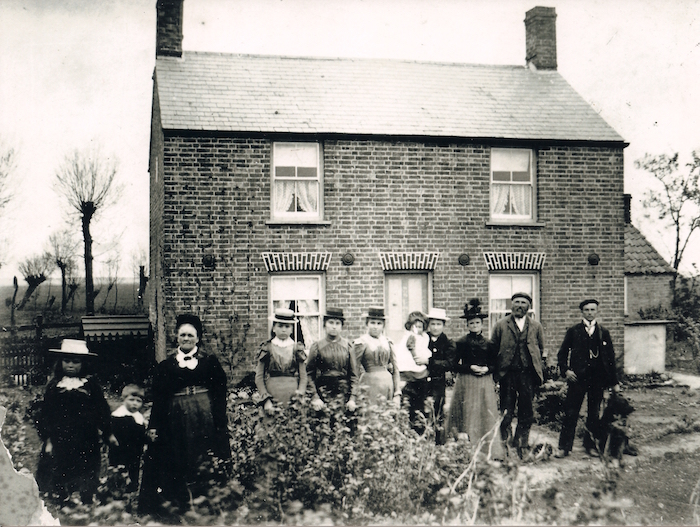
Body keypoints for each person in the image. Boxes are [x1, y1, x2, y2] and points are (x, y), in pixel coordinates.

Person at [138, 314, 231, 515]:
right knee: (177, 457)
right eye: (183, 335)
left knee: (203, 455)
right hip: (176, 418)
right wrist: (154, 425)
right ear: (177, 337)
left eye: (191, 335)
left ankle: (206, 501)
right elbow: (160, 399)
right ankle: (180, 501)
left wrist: (219, 421)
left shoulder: (209, 362)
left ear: (198, 338)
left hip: (203, 416)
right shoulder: (166, 366)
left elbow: (219, 394)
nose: (186, 338)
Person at [34, 339, 117, 504]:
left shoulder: (90, 385)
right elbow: (45, 414)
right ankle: (62, 498)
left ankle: (86, 497)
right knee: (61, 467)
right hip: (60, 438)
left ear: (83, 364)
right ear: (60, 362)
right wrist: (48, 439)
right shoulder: (54, 386)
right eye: (66, 360)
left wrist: (108, 433)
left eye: (76, 361)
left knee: (87, 468)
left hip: (86, 438)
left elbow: (102, 410)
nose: (70, 365)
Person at [555, 299, 619, 458]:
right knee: (571, 412)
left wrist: (614, 382)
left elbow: (610, 359)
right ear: (582, 312)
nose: (590, 313)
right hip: (578, 378)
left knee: (594, 413)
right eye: (586, 310)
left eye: (592, 310)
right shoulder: (573, 331)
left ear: (597, 311)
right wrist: (566, 371)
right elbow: (562, 354)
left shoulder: (603, 332)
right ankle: (564, 447)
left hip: (597, 379)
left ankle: (590, 446)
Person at [446, 300, 505, 460]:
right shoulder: (461, 343)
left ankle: (487, 449)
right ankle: (466, 449)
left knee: (484, 412)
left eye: (477, 322)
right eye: (471, 323)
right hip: (467, 381)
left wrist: (487, 369)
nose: (474, 325)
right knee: (468, 412)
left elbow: (495, 364)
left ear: (482, 324)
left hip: (484, 382)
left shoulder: (489, 343)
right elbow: (453, 364)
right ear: (467, 324)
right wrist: (469, 367)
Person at [490, 292, 545, 458]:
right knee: (506, 410)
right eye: (516, 302)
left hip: (527, 374)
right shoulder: (501, 325)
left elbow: (540, 349)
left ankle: (522, 443)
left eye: (523, 303)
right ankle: (504, 445)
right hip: (508, 374)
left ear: (528, 307)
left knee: (526, 411)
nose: (519, 305)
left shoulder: (536, 326)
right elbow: (493, 349)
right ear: (511, 305)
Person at [255, 307, 308, 413]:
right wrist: (266, 400)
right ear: (274, 328)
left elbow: (303, 376)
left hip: (293, 396)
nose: (284, 329)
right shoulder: (267, 348)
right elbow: (259, 376)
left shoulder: (297, 348)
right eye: (280, 326)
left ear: (292, 329)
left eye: (287, 326)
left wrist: (299, 395)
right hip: (272, 394)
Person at [306, 307, 359, 412]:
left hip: (344, 393)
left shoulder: (348, 346)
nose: (334, 327)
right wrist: (315, 397)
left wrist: (352, 398)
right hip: (322, 392)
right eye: (331, 322)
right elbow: (309, 374)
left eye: (337, 323)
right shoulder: (317, 346)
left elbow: (354, 375)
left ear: (341, 326)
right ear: (325, 324)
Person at [353, 307, 401, 403]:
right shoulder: (361, 342)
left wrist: (397, 393)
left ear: (383, 326)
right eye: (372, 323)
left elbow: (395, 369)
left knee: (388, 414)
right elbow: (355, 369)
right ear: (367, 324)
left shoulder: (388, 342)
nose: (375, 326)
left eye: (379, 324)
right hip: (370, 383)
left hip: (387, 383)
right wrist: (353, 395)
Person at [395, 311, 432, 433]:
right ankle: (406, 428)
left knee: (420, 402)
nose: (417, 329)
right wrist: (416, 356)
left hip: (420, 372)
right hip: (409, 369)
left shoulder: (425, 338)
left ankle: (419, 427)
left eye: (420, 327)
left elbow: (424, 350)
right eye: (414, 326)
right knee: (407, 402)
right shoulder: (410, 337)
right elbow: (411, 349)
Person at [425, 307, 456, 444]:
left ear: (443, 325)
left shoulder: (448, 343)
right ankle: (423, 441)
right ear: (428, 325)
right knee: (422, 410)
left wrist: (430, 362)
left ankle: (438, 442)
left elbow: (449, 363)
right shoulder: (422, 339)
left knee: (437, 410)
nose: (435, 327)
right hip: (422, 381)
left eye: (439, 324)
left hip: (438, 382)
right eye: (433, 324)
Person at [109, 384, 147, 491]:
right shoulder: (118, 416)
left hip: (134, 451)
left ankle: (131, 489)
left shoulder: (138, 417)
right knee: (120, 474)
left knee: (133, 470)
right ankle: (118, 491)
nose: (134, 403)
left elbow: (140, 436)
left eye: (138, 401)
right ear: (123, 399)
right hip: (120, 452)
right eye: (131, 400)